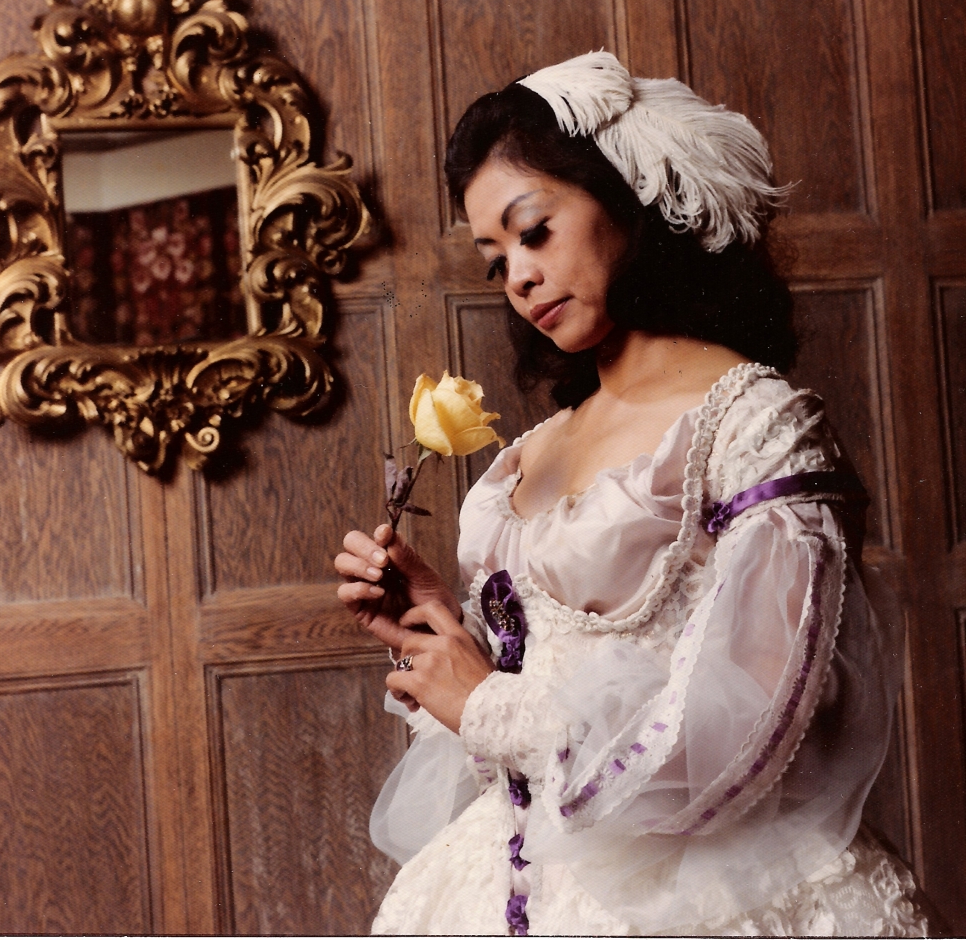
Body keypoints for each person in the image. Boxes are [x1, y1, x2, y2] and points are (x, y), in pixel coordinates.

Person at [334, 51, 930, 936]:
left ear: (626, 197)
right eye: (496, 260)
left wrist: (488, 702)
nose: (518, 276)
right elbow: (526, 717)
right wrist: (440, 630)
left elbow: (749, 731)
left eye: (534, 230)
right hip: (504, 875)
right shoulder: (532, 451)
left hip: (703, 891)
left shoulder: (754, 424)